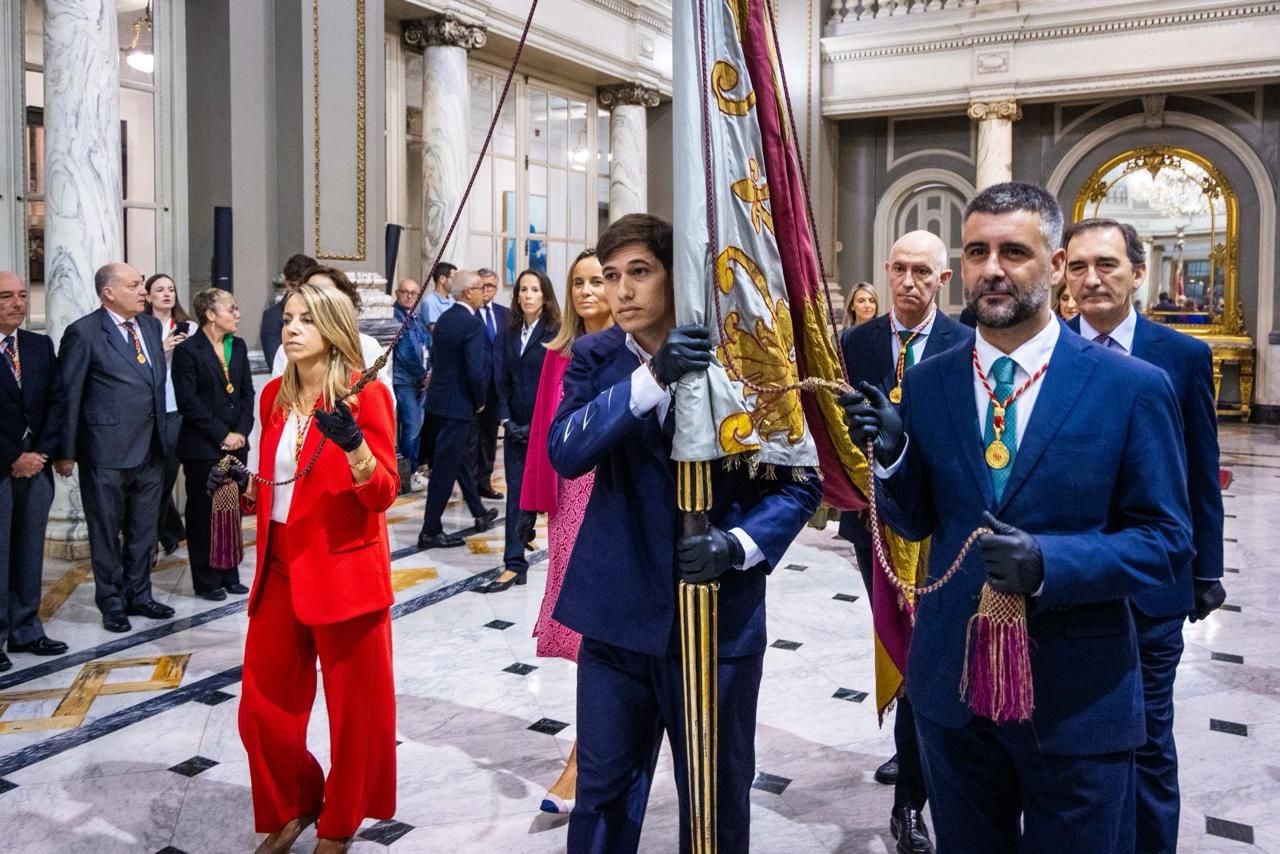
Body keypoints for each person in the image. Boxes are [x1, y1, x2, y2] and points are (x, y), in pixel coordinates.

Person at [841, 182, 1193, 852]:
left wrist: (1051, 564)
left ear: (1055, 265)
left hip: (1076, 696)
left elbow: (1167, 543)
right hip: (953, 689)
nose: (993, 268)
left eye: (1014, 251)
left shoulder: (1131, 388)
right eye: (977, 251)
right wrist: (892, 454)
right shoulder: (929, 381)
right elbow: (916, 525)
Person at [548, 214, 822, 853]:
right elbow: (567, 451)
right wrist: (651, 380)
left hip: (717, 617)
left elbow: (798, 483)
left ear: (679, 278)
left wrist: (737, 545)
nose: (621, 291)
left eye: (639, 272)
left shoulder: (745, 355)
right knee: (605, 790)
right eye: (612, 276)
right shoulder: (596, 357)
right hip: (617, 618)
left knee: (717, 795)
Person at [212, 282, 399, 854]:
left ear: (334, 330)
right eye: (288, 318)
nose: (290, 329)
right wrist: (238, 488)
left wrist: (354, 449)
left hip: (346, 573)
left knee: (355, 718)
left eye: (305, 321)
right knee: (261, 712)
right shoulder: (272, 397)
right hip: (280, 566)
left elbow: (383, 492)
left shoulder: (364, 399)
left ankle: (340, 822)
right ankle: (295, 803)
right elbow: (280, 487)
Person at [1063, 217, 1225, 853]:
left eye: (1106, 264)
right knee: (1069, 738)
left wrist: (1205, 570)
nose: (1092, 279)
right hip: (1067, 582)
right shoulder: (1046, 349)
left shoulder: (1180, 356)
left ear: (1137, 271)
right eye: (1078, 267)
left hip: (1152, 590)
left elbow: (1198, 471)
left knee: (1149, 739)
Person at [837, 229, 969, 854]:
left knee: (927, 655)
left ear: (944, 281)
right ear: (886, 270)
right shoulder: (856, 342)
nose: (910, 281)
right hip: (873, 523)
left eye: (924, 272)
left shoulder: (963, 343)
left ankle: (911, 797)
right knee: (898, 641)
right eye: (900, 269)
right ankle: (909, 756)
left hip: (940, 529)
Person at [521, 248, 614, 813]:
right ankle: (592, 752)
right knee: (582, 635)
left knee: (602, 631)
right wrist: (536, 506)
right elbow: (541, 434)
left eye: (596, 280)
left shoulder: (634, 351)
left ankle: (587, 759)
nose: (586, 292)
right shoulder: (561, 352)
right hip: (570, 502)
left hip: (612, 498)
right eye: (578, 282)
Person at [54, 263, 176, 633]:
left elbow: (153, 384)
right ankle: (111, 602)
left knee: (143, 529)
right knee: (106, 531)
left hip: (151, 448)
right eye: (135, 285)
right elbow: (69, 394)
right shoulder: (84, 333)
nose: (143, 291)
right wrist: (66, 450)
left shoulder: (151, 327)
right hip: (105, 451)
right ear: (109, 292)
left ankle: (140, 594)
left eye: (142, 284)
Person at [0, 272, 68, 669]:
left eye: (22, 295)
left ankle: (26, 629)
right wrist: (13, 456)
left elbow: (57, 401)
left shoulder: (39, 345)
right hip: (3, 467)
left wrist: (41, 452)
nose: (18, 303)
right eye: (6, 296)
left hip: (36, 468)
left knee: (28, 552)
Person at [478, 269, 560, 594]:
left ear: (545, 295)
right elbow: (501, 380)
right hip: (514, 427)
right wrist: (507, 421)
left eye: (534, 290)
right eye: (523, 290)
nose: (527, 295)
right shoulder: (508, 332)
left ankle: (562, 565)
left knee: (551, 495)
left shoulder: (556, 332)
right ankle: (514, 563)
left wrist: (538, 424)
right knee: (516, 494)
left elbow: (557, 383)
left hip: (546, 426)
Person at [172, 288, 255, 602]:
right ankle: (206, 580)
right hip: (203, 447)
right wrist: (223, 435)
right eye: (231, 308)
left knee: (231, 511)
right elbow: (188, 402)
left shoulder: (239, 346)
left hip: (237, 445)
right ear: (210, 314)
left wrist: (242, 432)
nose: (237, 314)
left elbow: (247, 393)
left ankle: (230, 573)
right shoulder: (189, 351)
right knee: (204, 514)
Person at [416, 270, 499, 549]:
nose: (482, 293)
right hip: (459, 404)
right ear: (467, 294)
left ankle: (479, 512)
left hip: (438, 404)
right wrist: (480, 399)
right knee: (444, 469)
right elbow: (475, 369)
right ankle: (430, 530)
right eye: (478, 288)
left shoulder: (446, 319)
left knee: (461, 458)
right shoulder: (472, 323)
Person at [270, 265, 394, 404]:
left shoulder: (367, 346)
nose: (315, 298)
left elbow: (385, 404)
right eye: (286, 320)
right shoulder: (285, 353)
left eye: (308, 320)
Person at [144, 273, 195, 556]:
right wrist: (160, 350)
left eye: (171, 289)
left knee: (165, 475)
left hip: (176, 408)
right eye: (160, 289)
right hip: (147, 410)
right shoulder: (141, 327)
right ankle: (171, 530)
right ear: (148, 295)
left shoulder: (189, 327)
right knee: (148, 475)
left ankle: (154, 533)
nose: (167, 294)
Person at [474, 267, 508, 500]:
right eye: (483, 286)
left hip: (496, 386)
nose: (487, 291)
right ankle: (468, 483)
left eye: (492, 286)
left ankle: (484, 482)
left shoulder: (505, 314)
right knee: (471, 439)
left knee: (488, 437)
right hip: (473, 386)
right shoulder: (468, 313)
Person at [391, 278, 430, 475]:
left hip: (422, 381)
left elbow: (428, 343)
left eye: (413, 293)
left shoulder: (418, 317)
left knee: (419, 424)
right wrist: (423, 374)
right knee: (411, 425)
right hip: (404, 379)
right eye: (404, 292)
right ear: (397, 294)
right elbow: (405, 352)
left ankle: (414, 469)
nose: (409, 296)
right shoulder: (394, 316)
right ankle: (408, 471)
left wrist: (430, 371)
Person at [259, 253, 315, 367]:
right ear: (286, 283)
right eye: (293, 285)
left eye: (303, 286)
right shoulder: (273, 316)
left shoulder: (322, 312)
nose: (298, 291)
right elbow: (276, 364)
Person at [421, 261, 457, 333]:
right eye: (454, 279)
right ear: (442, 279)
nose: (456, 282)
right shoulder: (430, 302)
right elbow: (435, 331)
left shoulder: (453, 300)